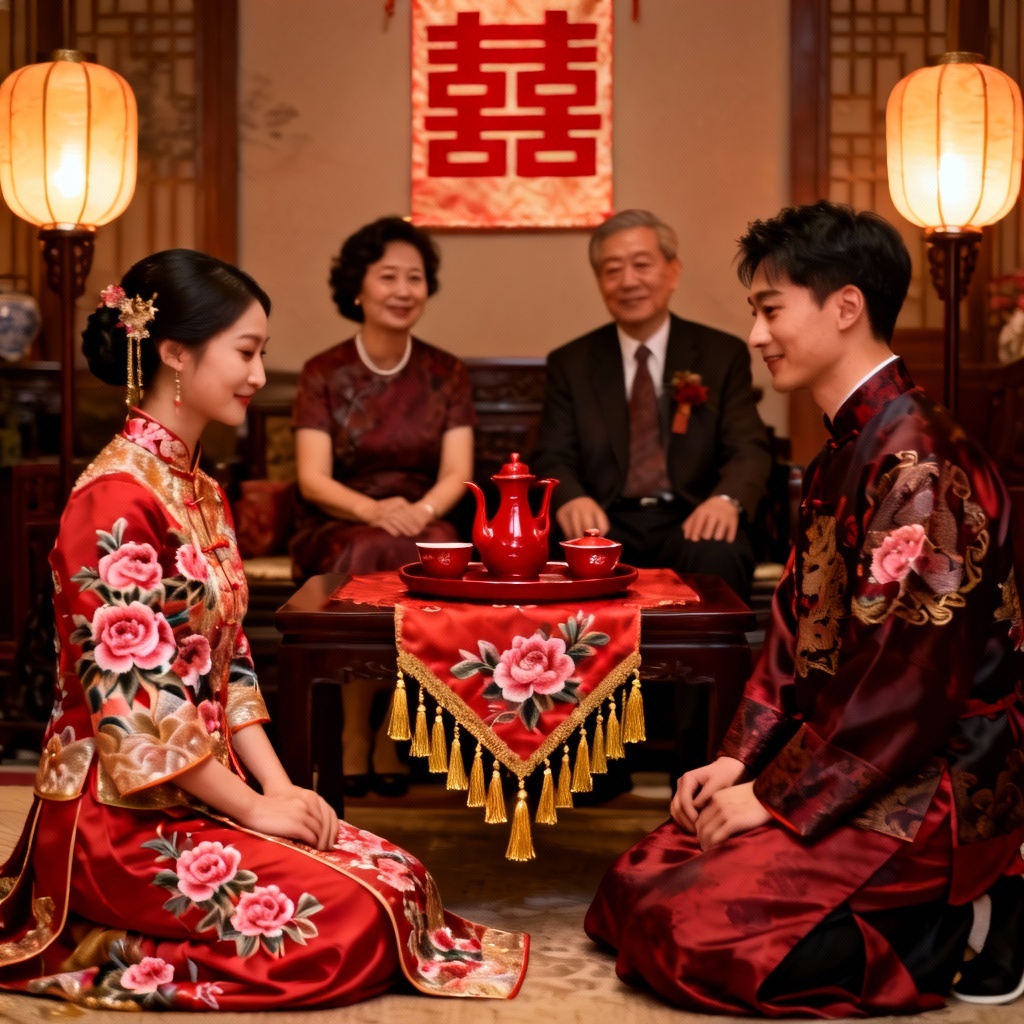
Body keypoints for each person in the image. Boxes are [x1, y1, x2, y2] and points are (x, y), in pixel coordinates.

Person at [0, 250, 527, 1011]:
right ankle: (104, 937)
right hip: (119, 814)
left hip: (204, 787)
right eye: (246, 353)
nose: (256, 376)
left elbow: (231, 665)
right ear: (175, 353)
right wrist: (251, 809)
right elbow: (137, 708)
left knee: (400, 880)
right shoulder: (113, 499)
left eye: (262, 354)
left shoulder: (199, 489)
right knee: (346, 919)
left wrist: (280, 788)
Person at [584, 201, 1024, 1016]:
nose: (757, 335)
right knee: (632, 887)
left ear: (846, 306)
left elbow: (904, 684)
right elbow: (794, 635)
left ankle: (960, 919)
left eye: (770, 309)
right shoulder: (844, 452)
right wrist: (737, 763)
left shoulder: (918, 463)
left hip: (927, 777)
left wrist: (774, 796)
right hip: (840, 754)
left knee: (685, 934)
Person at [290, 217, 475, 798]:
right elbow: (313, 479)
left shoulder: (447, 372)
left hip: (424, 516)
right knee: (371, 550)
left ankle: (394, 730)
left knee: (432, 550)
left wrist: (419, 510)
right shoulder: (323, 372)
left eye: (414, 278)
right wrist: (374, 511)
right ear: (357, 288)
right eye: (388, 276)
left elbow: (457, 472)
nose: (403, 290)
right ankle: (354, 730)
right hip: (342, 519)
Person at [531, 208, 772, 605]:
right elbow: (551, 454)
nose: (628, 281)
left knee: (719, 553)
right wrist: (572, 498)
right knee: (562, 562)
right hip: (603, 521)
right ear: (599, 281)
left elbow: (749, 447)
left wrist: (725, 500)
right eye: (612, 270)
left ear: (673, 271)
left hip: (691, 516)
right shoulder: (571, 362)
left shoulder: (720, 354)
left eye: (641, 265)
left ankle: (712, 651)